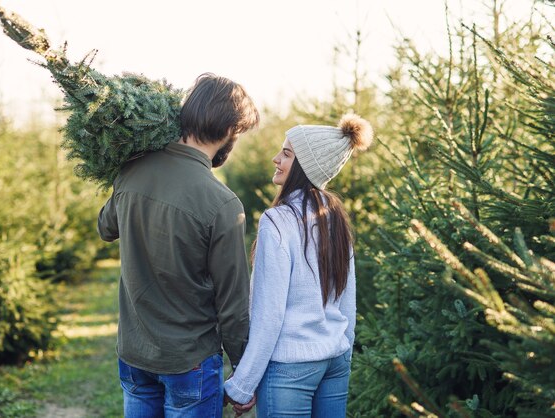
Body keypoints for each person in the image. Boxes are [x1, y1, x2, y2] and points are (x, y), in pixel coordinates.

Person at [97, 73, 260, 418]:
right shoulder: (222, 203)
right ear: (231, 131)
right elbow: (232, 303)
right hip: (190, 363)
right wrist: (244, 371)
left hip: (134, 354)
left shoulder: (132, 169)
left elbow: (105, 227)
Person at [223, 114, 373, 417]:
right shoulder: (336, 219)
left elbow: (269, 313)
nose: (276, 159)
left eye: (287, 154)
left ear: (305, 166)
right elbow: (347, 301)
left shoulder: (277, 221)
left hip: (291, 365)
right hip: (335, 360)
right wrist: (342, 345)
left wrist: (242, 384)